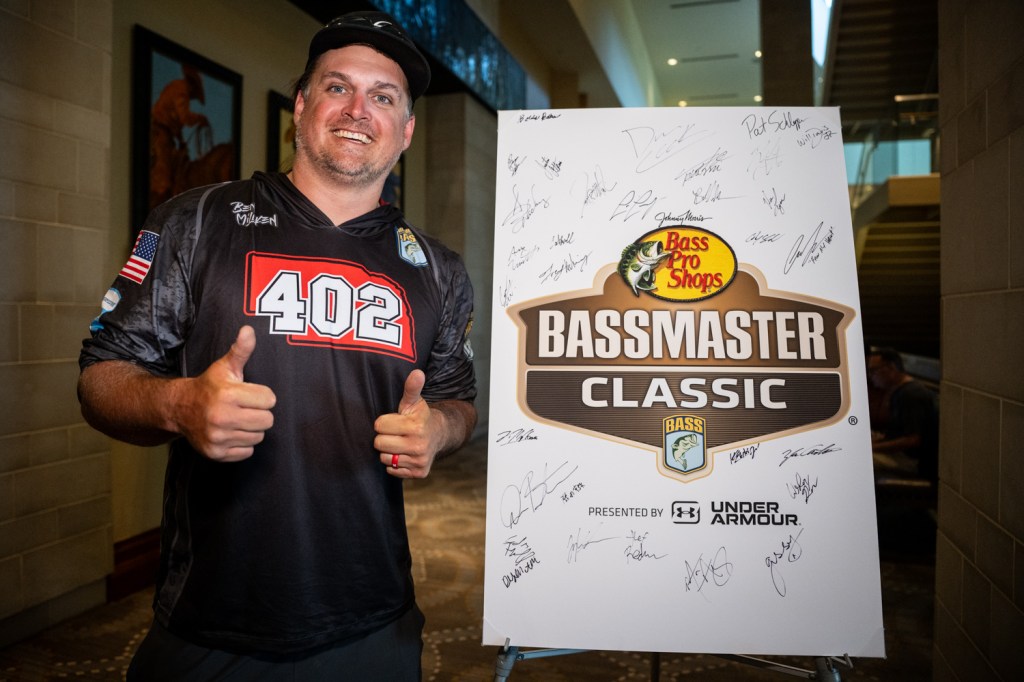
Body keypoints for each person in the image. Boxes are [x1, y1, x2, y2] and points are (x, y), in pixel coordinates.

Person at [78, 11, 477, 680]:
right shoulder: (196, 221)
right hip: (210, 622)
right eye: (337, 87)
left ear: (406, 130)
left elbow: (459, 401)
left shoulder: (438, 270)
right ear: (301, 106)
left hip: (373, 619)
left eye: (383, 97)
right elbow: (100, 376)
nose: (358, 110)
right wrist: (180, 405)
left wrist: (439, 428)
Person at [867, 347, 938, 485]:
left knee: (862, 462)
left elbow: (912, 440)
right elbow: (898, 433)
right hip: (904, 457)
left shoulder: (911, 394)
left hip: (914, 463)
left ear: (891, 368)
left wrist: (872, 448)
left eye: (873, 370)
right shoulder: (901, 391)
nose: (871, 376)